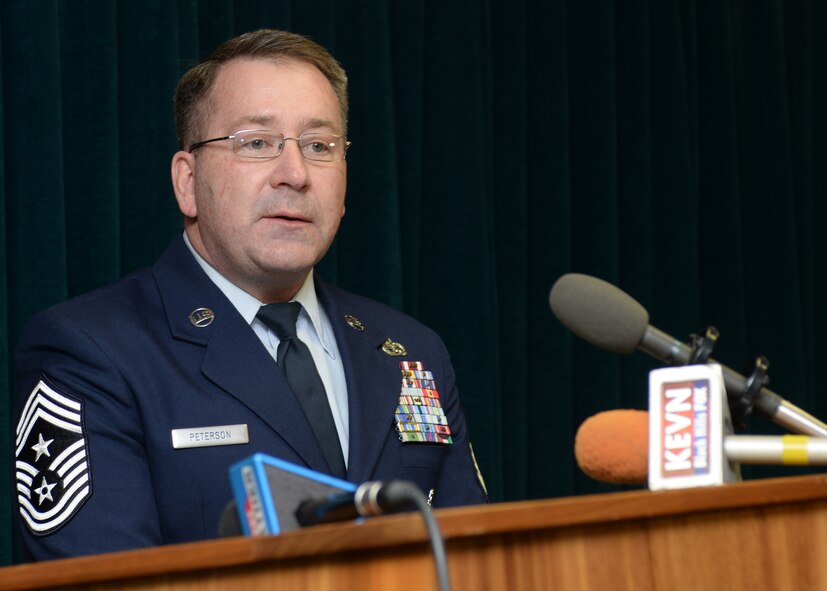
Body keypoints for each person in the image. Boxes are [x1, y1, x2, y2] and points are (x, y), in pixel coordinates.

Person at [12, 29, 488, 561]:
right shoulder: (92, 352)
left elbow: (472, 561)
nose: (295, 174)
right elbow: (105, 578)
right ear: (187, 182)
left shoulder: (410, 350)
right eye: (257, 143)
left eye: (319, 146)